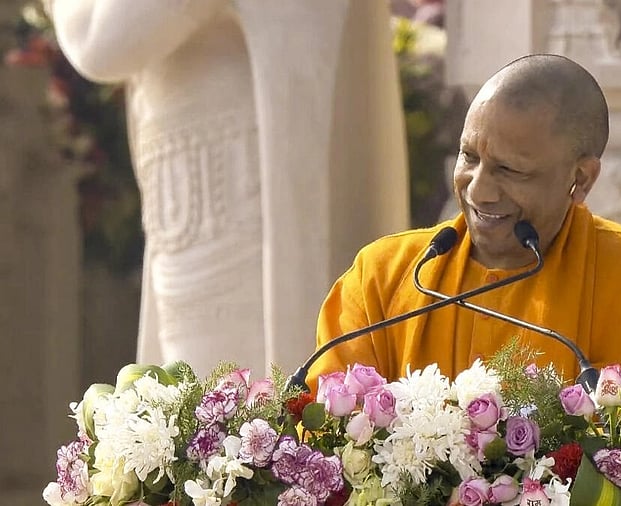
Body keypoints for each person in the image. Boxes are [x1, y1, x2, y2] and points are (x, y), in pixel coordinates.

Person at [48, 0, 410, 377]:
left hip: (238, 192)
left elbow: (102, 41)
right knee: (207, 409)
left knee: (237, 406)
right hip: (207, 177)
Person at [309, 54, 621, 386]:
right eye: (469, 157)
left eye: (510, 170)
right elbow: (324, 436)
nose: (479, 191)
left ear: (581, 179)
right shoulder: (384, 275)